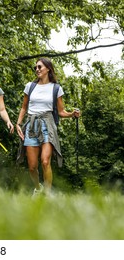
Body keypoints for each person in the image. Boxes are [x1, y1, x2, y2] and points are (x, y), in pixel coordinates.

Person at [16, 57, 81, 197]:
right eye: (36, 68)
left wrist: (72, 114)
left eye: (40, 67)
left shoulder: (56, 88)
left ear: (48, 69)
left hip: (48, 124)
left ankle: (47, 193)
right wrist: (18, 123)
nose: (37, 69)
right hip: (31, 124)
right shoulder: (30, 86)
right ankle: (37, 188)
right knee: (32, 166)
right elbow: (24, 107)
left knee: (45, 161)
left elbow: (61, 111)